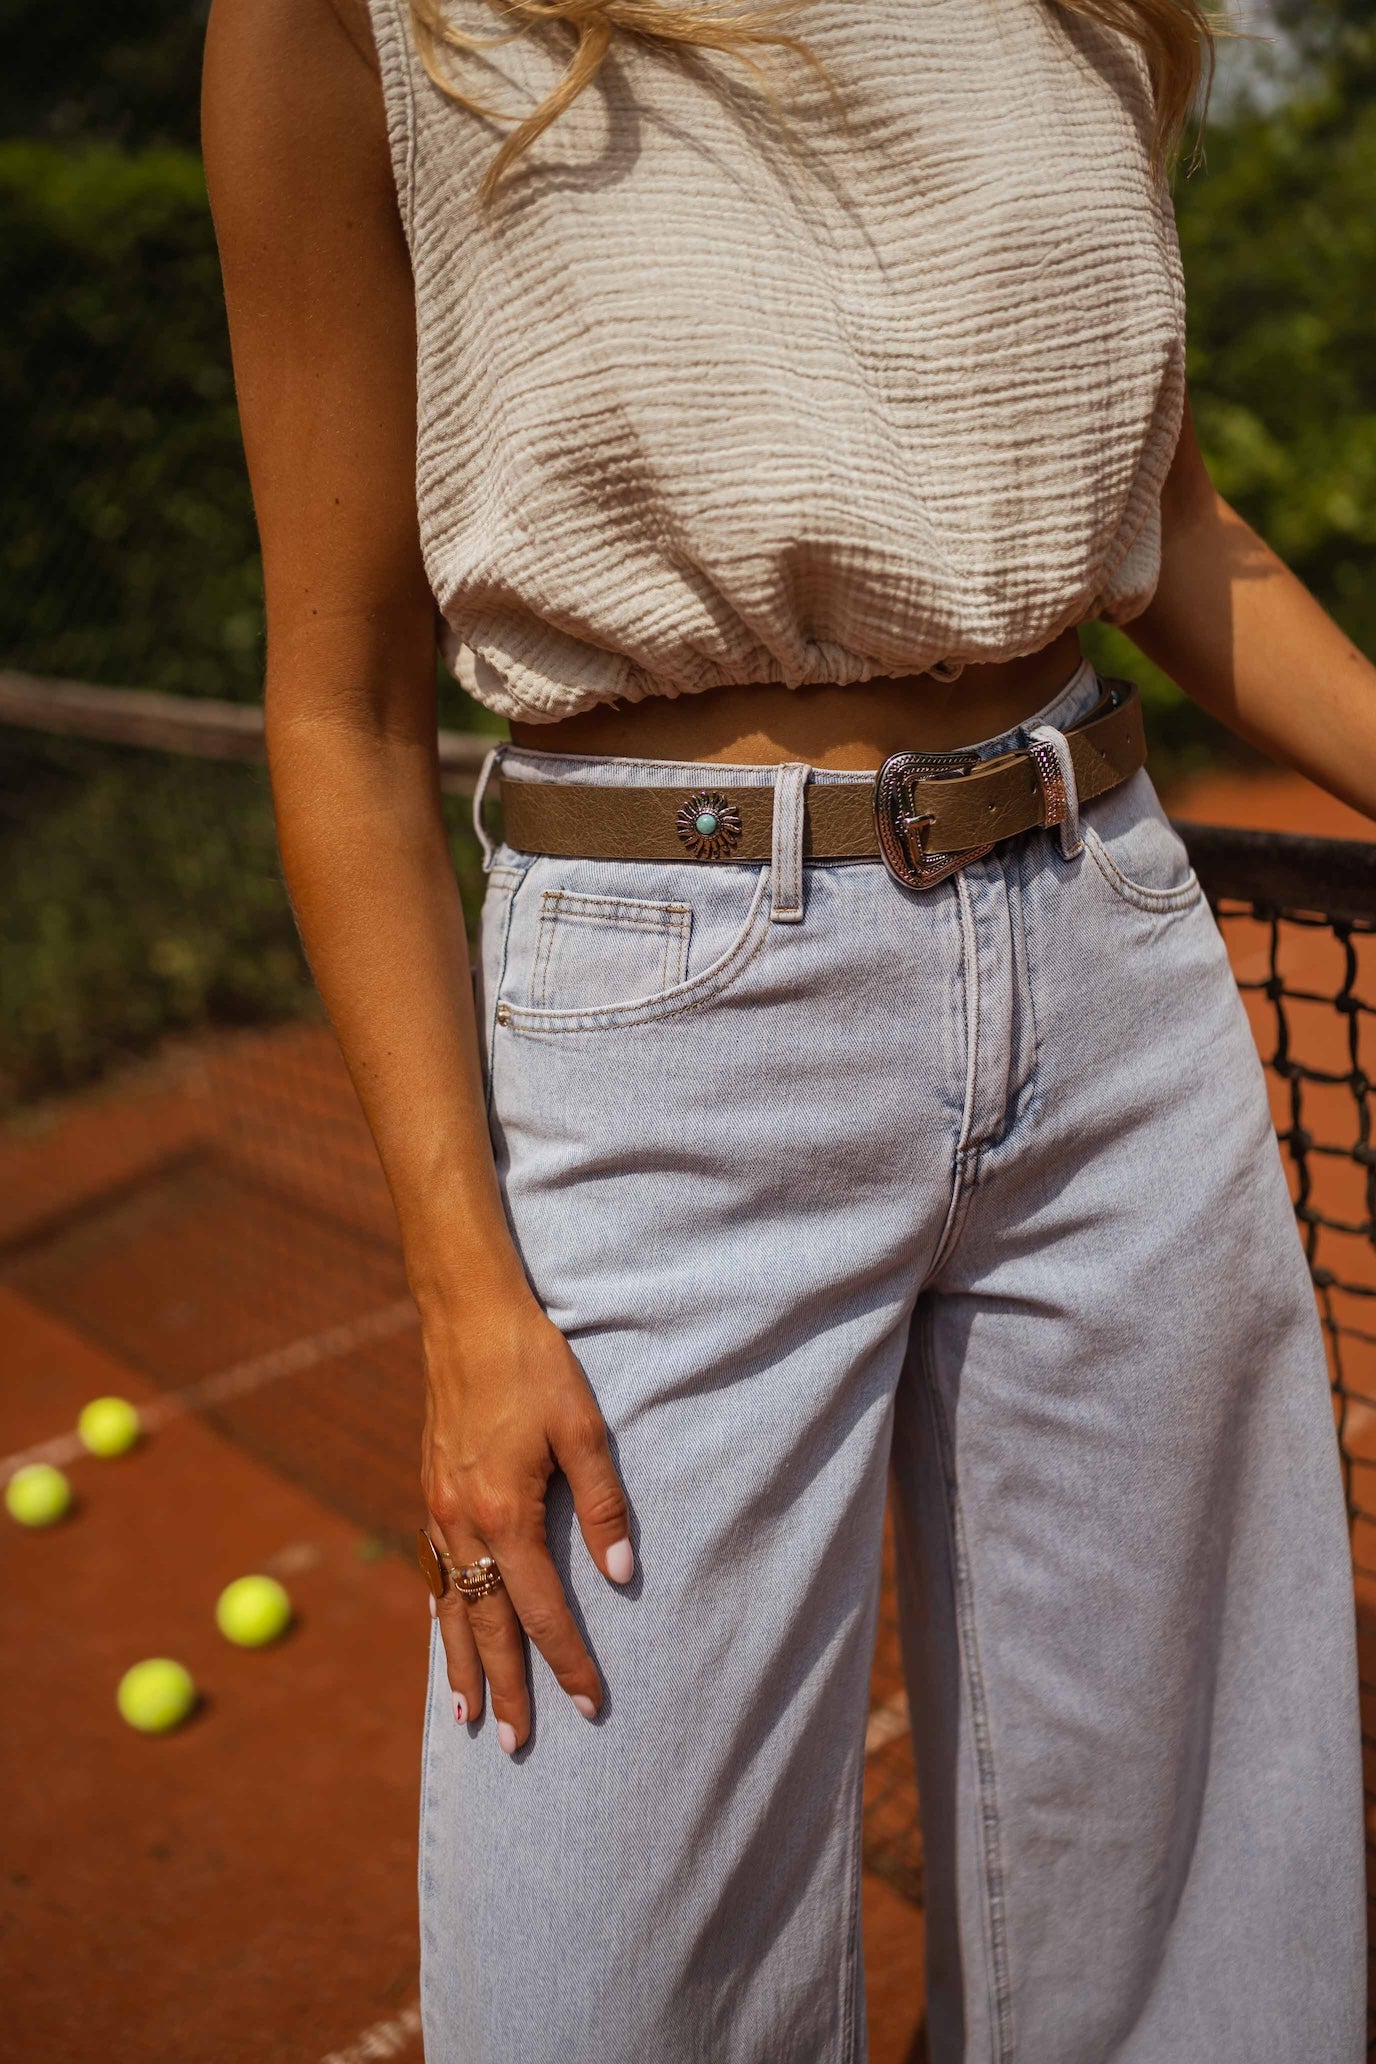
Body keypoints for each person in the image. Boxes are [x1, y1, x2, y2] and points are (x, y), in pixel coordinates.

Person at [202, 0, 1371, 2054]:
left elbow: (1179, 537)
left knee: (1199, 1937)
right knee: (601, 1987)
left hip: (1111, 970)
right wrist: (464, 1290)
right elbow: (341, 705)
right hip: (664, 1040)